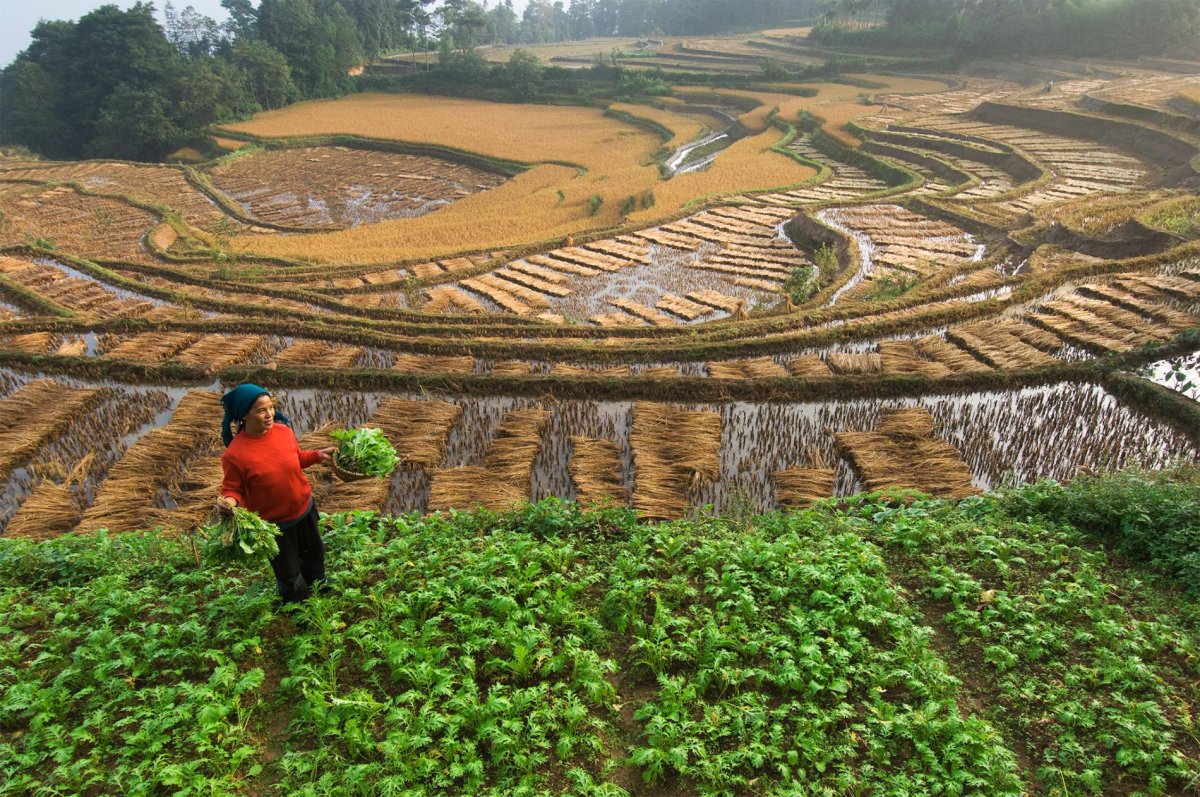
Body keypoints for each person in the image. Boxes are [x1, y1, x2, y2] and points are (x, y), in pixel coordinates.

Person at [216, 384, 335, 603]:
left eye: (271, 407)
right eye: (261, 410)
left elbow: (296, 458)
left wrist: (318, 455)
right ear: (244, 415)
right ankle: (296, 605)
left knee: (314, 554)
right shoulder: (235, 454)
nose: (270, 414)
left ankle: (319, 587)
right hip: (275, 524)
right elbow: (233, 488)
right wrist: (229, 503)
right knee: (287, 569)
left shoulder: (284, 432)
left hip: (304, 509)